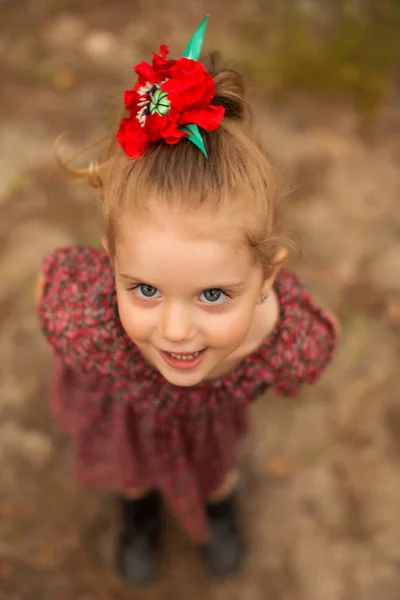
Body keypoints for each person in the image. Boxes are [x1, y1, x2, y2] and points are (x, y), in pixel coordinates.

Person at [36, 16, 339, 587]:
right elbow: (45, 289)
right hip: (129, 424)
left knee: (218, 471)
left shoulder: (279, 339)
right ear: (110, 263)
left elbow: (323, 344)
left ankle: (220, 512)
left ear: (267, 277)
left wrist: (267, 324)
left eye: (214, 294)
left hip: (210, 431)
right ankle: (138, 516)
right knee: (131, 474)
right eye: (144, 289)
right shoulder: (86, 319)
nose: (175, 330)